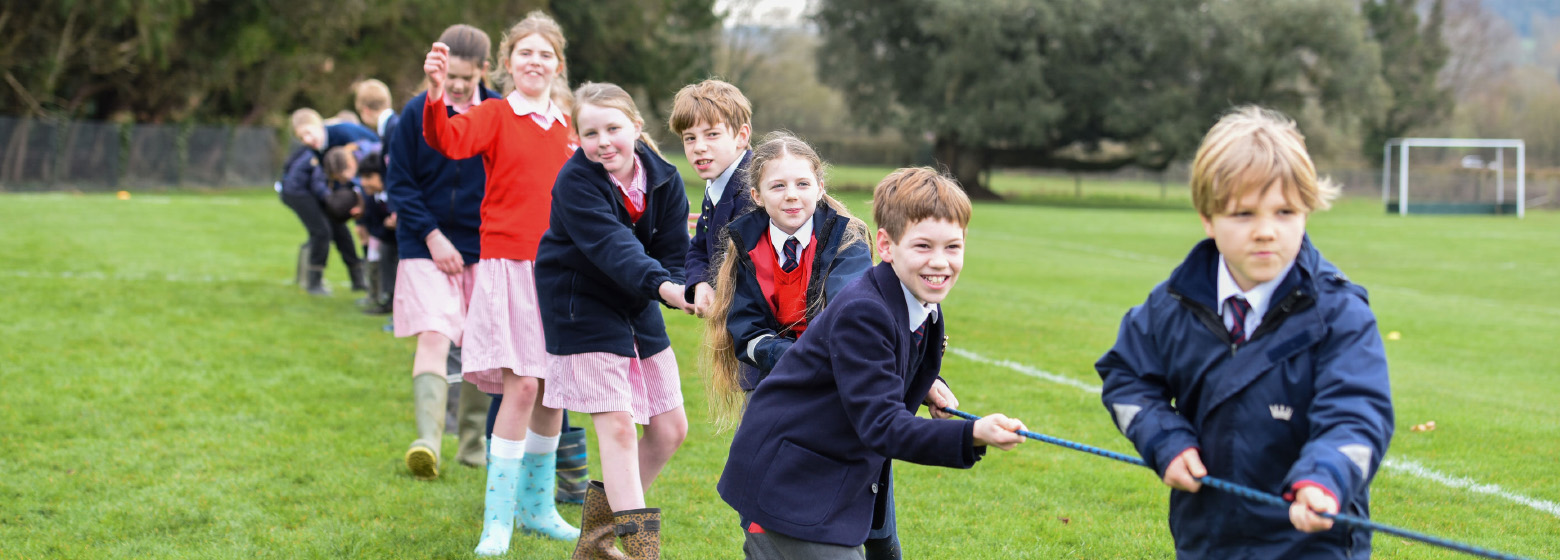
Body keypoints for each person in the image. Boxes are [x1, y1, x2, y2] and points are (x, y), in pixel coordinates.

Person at [1096, 106, 1393, 559]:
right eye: (1243, 214)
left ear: (1307, 212)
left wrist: (1325, 478)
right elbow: (1126, 379)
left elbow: (1357, 414)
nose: (1266, 232)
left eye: (1285, 211)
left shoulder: (1340, 314)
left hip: (1315, 542)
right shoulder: (1171, 305)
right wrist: (1165, 442)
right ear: (1207, 218)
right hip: (1209, 540)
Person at [718, 167, 1027, 559]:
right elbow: (882, 424)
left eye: (952, 247)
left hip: (829, 484)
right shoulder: (865, 311)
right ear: (885, 244)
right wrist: (974, 434)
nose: (940, 263)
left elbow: (882, 372)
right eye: (922, 247)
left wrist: (925, 384)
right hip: (790, 487)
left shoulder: (917, 300)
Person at [421, 11, 579, 555]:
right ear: (508, 63)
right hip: (508, 268)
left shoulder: (571, 124)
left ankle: (538, 509)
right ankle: (498, 521)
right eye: (525, 53)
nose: (535, 62)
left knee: (554, 392)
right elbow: (446, 139)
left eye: (545, 54)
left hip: (563, 271)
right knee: (523, 386)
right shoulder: (492, 114)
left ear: (558, 64)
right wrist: (438, 94)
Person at [535, 82, 692, 560]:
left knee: (670, 429)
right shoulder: (576, 182)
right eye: (590, 132)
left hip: (636, 300)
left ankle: (596, 545)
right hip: (580, 305)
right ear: (576, 138)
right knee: (619, 427)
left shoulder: (664, 180)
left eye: (613, 128)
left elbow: (675, 254)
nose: (603, 141)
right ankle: (643, 553)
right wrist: (665, 287)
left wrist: (686, 285)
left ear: (637, 129)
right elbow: (611, 247)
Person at [389, 23, 500, 482]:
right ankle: (428, 444)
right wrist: (433, 236)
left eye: (465, 78)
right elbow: (400, 185)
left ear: (484, 71)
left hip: (485, 247)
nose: (455, 85)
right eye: (449, 76)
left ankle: (473, 447)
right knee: (434, 336)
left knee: (481, 348)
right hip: (423, 244)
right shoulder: (414, 113)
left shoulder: (499, 113)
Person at [671, 79, 754, 317]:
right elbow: (699, 247)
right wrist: (700, 282)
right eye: (690, 138)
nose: (699, 147)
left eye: (712, 134)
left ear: (741, 136)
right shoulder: (716, 185)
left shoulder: (755, 191)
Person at [286, 109, 375, 294]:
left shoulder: (344, 133)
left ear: (320, 124)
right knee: (323, 232)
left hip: (371, 186)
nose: (307, 140)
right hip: (299, 192)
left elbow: (372, 159)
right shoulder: (317, 149)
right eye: (302, 138)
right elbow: (328, 180)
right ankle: (314, 282)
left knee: (340, 230)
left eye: (308, 133)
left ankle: (359, 279)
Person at [355, 151, 397, 314]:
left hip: (410, 237)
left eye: (368, 177)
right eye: (362, 177)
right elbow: (373, 227)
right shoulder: (369, 198)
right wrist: (386, 226)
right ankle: (390, 298)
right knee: (385, 252)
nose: (364, 182)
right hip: (387, 237)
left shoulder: (395, 193)